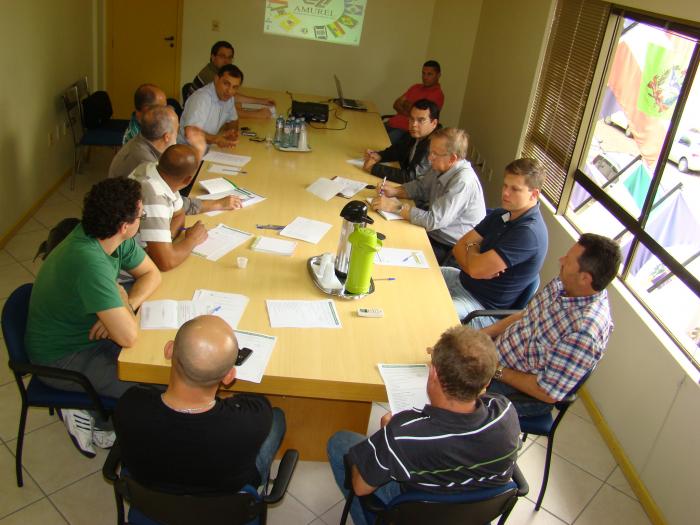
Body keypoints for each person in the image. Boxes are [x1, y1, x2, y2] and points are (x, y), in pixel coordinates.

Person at [327, 325, 521, 525]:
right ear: (486, 382)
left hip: (417, 510)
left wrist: (385, 436)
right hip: (473, 513)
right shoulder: (507, 413)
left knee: (339, 442)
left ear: (434, 374)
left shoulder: (402, 436)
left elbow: (360, 487)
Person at [25, 178, 161, 457]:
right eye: (141, 215)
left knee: (158, 366)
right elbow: (128, 336)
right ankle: (90, 410)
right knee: (148, 394)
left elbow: (152, 273)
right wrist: (120, 303)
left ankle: (98, 413)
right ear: (125, 226)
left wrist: (129, 302)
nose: (142, 219)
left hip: (85, 333)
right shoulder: (90, 262)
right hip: (62, 356)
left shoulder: (106, 236)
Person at [114, 315, 285, 494]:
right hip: (222, 509)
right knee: (277, 418)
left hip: (150, 506)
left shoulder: (130, 406)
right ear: (229, 377)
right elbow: (256, 402)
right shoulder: (252, 419)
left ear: (169, 350)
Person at [483, 234, 622, 417]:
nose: (561, 260)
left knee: (449, 389)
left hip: (518, 391)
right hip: (495, 356)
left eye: (568, 260)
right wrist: (483, 334)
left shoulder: (584, 333)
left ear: (585, 279)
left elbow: (546, 392)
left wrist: (493, 369)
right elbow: (527, 315)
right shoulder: (563, 285)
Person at [441, 158, 549, 326]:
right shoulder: (501, 214)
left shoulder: (528, 234)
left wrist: (472, 250)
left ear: (534, 194)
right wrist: (474, 257)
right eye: (505, 186)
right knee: (412, 276)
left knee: (430, 314)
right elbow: (458, 248)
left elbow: (475, 269)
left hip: (478, 307)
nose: (506, 193)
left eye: (515, 189)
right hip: (460, 279)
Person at [370, 128, 485, 264]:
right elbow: (421, 187)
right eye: (430, 152)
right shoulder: (443, 165)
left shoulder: (462, 182)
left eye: (435, 154)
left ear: (453, 158)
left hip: (450, 248)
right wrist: (395, 191)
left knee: (391, 249)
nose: (430, 158)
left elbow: (433, 221)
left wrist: (396, 207)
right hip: (434, 233)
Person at [130, 144, 242, 271]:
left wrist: (167, 241)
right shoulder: (155, 196)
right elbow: (166, 262)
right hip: (129, 274)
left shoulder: (154, 170)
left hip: (146, 258)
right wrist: (192, 240)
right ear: (188, 180)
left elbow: (179, 213)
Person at [363, 99, 440, 185]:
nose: (414, 124)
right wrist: (379, 155)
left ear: (434, 123)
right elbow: (397, 150)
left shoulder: (434, 145)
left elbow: (410, 176)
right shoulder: (415, 134)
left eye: (421, 120)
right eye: (411, 119)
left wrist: (374, 168)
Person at [191, 40, 274, 118]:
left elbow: (232, 97)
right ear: (213, 57)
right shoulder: (211, 76)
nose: (226, 61)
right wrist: (257, 114)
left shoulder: (218, 73)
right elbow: (224, 111)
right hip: (197, 118)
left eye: (229, 57)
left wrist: (262, 101)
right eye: (222, 57)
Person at [178, 64, 246, 158]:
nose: (229, 91)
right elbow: (191, 133)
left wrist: (231, 132)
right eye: (226, 84)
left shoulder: (228, 98)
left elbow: (233, 121)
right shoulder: (202, 98)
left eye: (234, 87)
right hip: (187, 151)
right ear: (216, 79)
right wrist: (217, 139)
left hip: (208, 149)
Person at [108, 105, 178, 179]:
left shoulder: (140, 139)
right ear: (167, 137)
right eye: (177, 129)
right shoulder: (147, 166)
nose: (178, 133)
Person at [385, 60, 445, 145]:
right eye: (423, 73)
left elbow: (419, 115)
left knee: (379, 147)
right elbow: (396, 104)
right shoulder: (416, 87)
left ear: (438, 75)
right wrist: (411, 110)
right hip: (392, 123)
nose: (425, 77)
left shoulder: (437, 94)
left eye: (429, 74)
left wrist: (406, 105)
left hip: (405, 131)